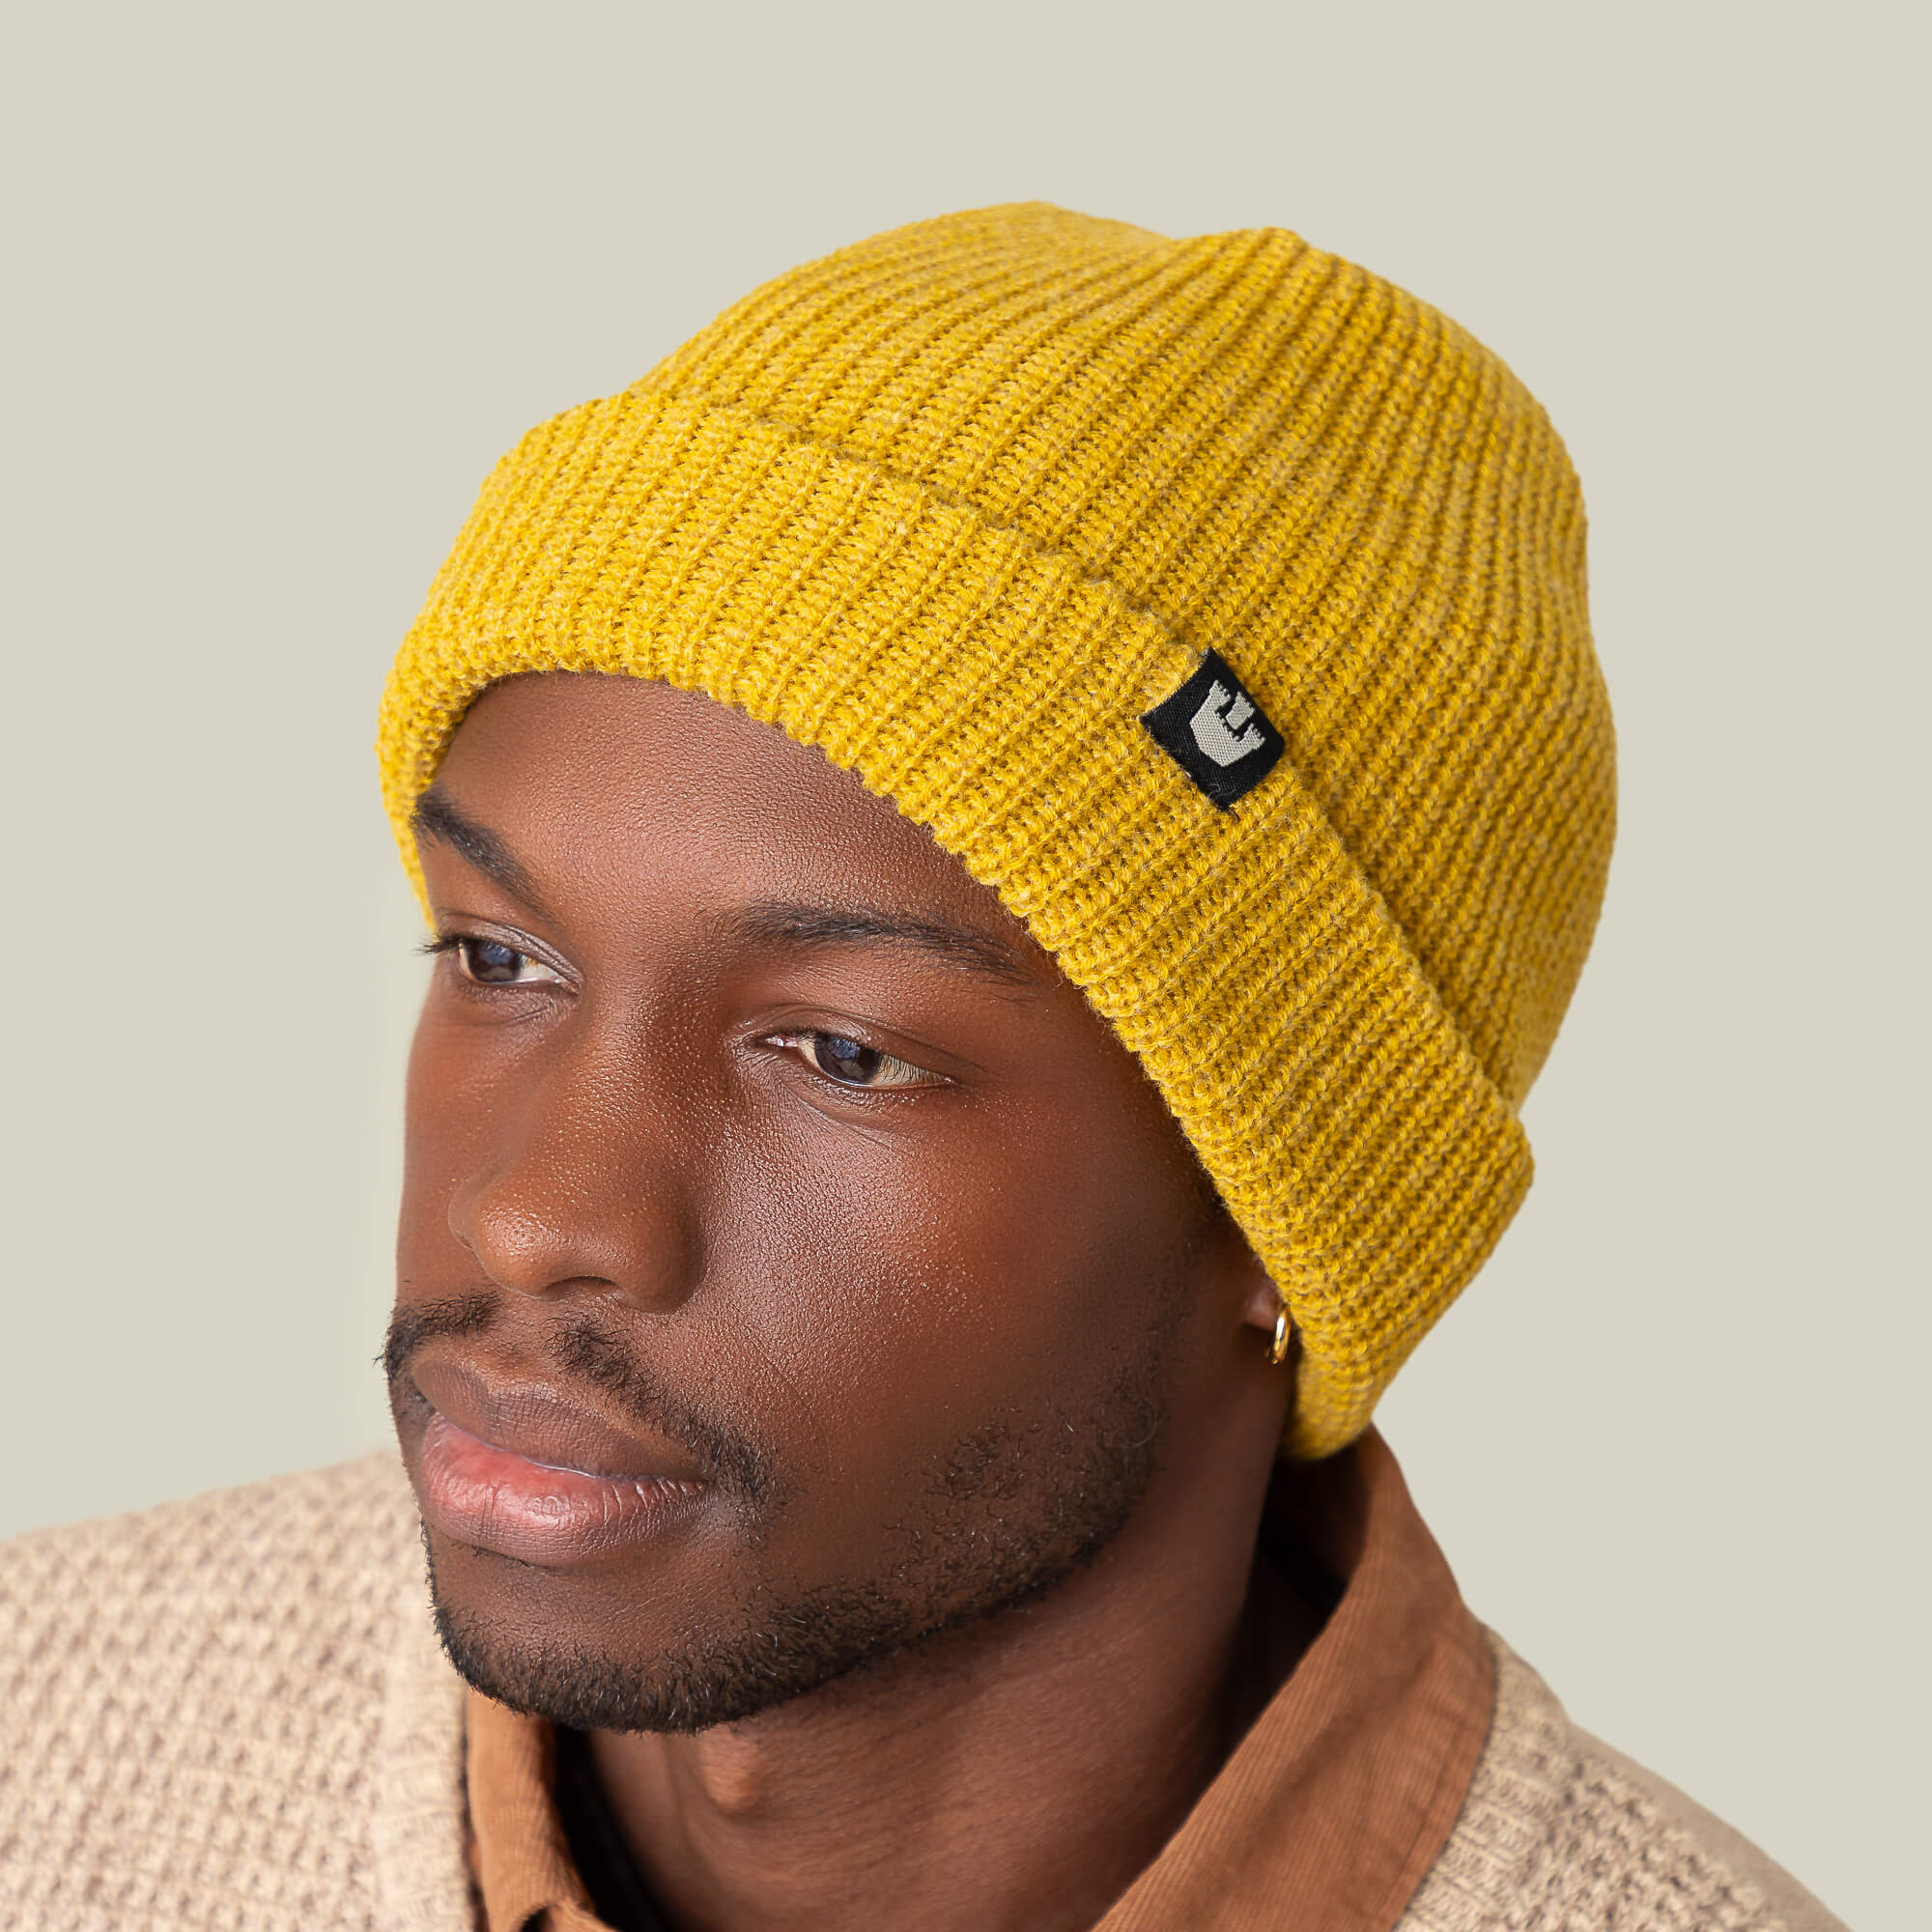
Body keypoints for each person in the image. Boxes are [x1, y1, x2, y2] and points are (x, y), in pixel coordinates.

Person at [0, 204, 1848, 1932]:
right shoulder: (43, 1736)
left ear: (1287, 1220)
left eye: (839, 1052)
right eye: (502, 957)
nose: (538, 1213)